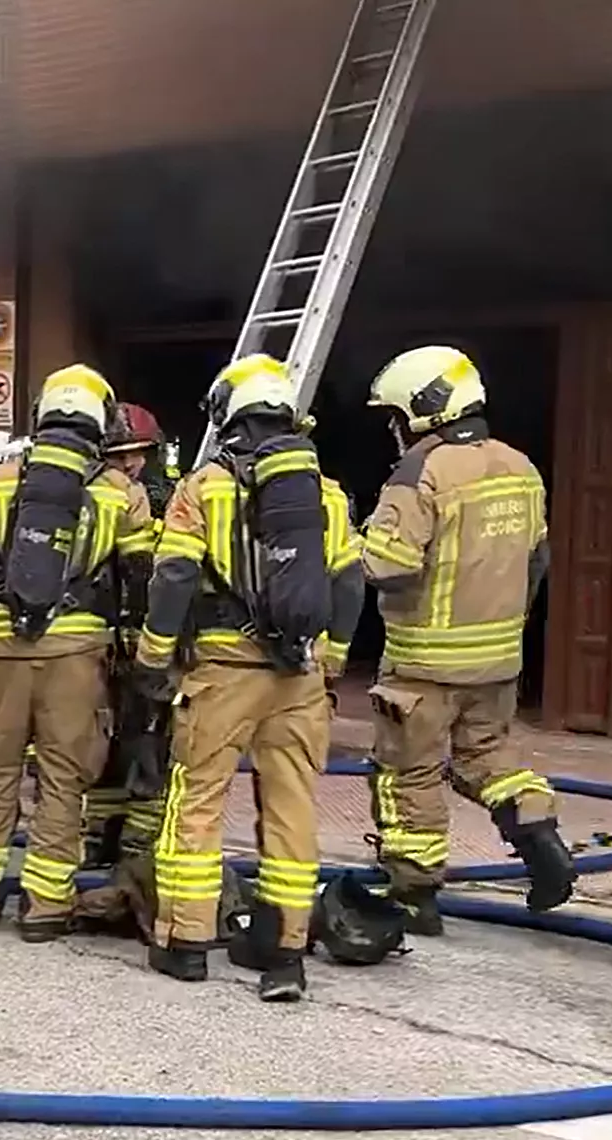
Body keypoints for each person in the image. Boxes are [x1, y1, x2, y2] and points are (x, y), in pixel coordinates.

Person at [133, 353, 364, 1002]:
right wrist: (335, 655)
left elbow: (172, 579)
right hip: (298, 678)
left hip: (221, 673)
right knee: (291, 807)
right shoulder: (324, 491)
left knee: (197, 802)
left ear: (227, 414)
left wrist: (153, 658)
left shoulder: (201, 489)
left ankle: (184, 944)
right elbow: (348, 583)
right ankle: (283, 951)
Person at [358, 344, 573, 934]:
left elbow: (390, 563)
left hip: (424, 664)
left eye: (396, 416)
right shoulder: (520, 467)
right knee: (490, 759)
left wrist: (349, 545)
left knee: (411, 776)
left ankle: (414, 896)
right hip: (498, 660)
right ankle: (540, 835)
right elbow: (538, 559)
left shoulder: (420, 472)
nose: (395, 430)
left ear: (422, 411)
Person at [0, 364, 155, 940]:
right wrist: (131, 649)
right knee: (62, 782)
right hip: (78, 660)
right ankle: (46, 907)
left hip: (4, 653)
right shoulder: (119, 492)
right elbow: (139, 578)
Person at [84, 402, 171, 867]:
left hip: (91, 635)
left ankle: (101, 839)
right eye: (121, 456)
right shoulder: (128, 496)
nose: (132, 464)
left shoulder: (74, 491)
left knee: (110, 740)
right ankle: (132, 845)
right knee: (141, 740)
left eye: (138, 454)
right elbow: (138, 569)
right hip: (124, 639)